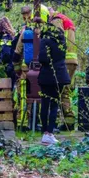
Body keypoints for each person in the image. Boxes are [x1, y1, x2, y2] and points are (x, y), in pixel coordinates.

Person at [37, 15, 70, 145]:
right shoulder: (62, 40)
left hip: (46, 76)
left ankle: (45, 133)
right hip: (60, 75)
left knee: (45, 104)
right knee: (55, 104)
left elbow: (42, 58)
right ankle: (51, 133)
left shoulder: (45, 40)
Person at [50, 9, 78, 130]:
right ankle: (69, 122)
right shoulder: (66, 20)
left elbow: (57, 38)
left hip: (63, 60)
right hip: (71, 60)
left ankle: (54, 122)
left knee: (57, 90)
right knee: (65, 90)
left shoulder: (56, 20)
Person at [0, 16, 16, 84]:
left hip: (2, 67)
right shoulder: (11, 36)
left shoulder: (0, 37)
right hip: (10, 67)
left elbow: (5, 53)